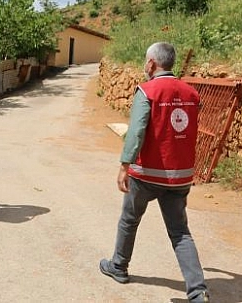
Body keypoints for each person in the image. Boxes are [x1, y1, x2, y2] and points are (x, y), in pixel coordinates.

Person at [99, 42, 209, 303]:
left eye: (145, 61)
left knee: (129, 219)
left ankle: (119, 266)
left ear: (151, 64)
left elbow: (137, 131)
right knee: (180, 232)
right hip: (180, 175)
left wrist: (125, 165)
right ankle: (197, 291)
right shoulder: (192, 94)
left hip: (146, 174)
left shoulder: (147, 91)